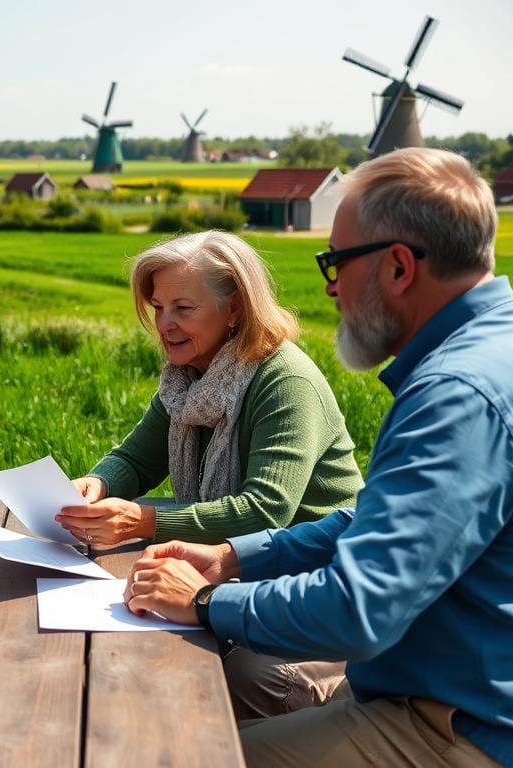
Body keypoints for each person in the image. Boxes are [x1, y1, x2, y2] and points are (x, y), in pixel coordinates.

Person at [125, 147, 511, 767]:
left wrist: (202, 601)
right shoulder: (488, 349)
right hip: (427, 681)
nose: (330, 285)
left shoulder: (456, 396)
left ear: (399, 267)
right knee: (228, 693)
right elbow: (367, 522)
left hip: (459, 722)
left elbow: (360, 609)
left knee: (182, 754)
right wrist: (229, 556)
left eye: (336, 261)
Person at [57, 231, 364, 720]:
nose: (165, 324)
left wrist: (143, 520)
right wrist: (98, 484)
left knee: (219, 670)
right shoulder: (187, 378)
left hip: (311, 586)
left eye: (183, 307)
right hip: (235, 571)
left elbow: (265, 510)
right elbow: (136, 460)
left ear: (236, 307)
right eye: (158, 308)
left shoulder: (285, 380)